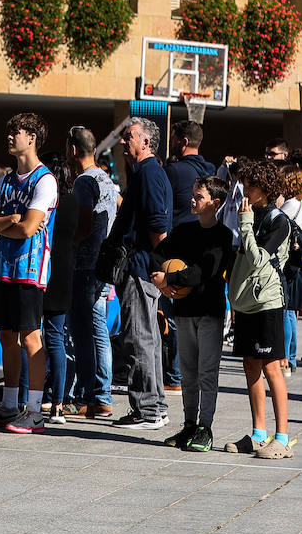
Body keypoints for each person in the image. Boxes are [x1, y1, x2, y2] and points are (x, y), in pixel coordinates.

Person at [0, 113, 57, 435]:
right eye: (9, 131)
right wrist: (10, 221)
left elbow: (27, 229)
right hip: (3, 269)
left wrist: (7, 224)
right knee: (6, 336)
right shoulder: (5, 180)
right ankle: (10, 403)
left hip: (29, 269)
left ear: (32, 138)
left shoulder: (45, 180)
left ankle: (35, 410)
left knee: (30, 336)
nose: (10, 137)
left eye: (17, 132)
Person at [152, 176, 231, 453]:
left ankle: (205, 427)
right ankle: (188, 424)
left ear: (215, 203)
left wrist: (170, 277)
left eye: (199, 196)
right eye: (194, 194)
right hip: (184, 311)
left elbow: (202, 272)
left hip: (209, 312)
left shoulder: (223, 236)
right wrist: (160, 279)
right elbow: (157, 255)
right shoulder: (184, 230)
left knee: (207, 372)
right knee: (187, 372)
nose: (193, 200)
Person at [224, 160, 294, 458]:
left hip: (267, 301)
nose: (245, 192)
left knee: (271, 366)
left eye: (250, 187)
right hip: (246, 301)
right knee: (250, 364)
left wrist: (246, 223)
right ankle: (258, 433)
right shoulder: (250, 214)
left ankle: (283, 437)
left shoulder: (278, 220)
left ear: (263, 189)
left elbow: (256, 259)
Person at [106, 116, 173, 431]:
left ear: (145, 141)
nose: (123, 142)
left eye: (128, 136)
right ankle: (153, 406)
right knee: (145, 338)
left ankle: (148, 410)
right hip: (141, 269)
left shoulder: (148, 174)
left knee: (140, 339)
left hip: (142, 269)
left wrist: (161, 271)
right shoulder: (143, 173)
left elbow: (159, 230)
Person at [66, 126, 118, 419]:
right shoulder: (105, 179)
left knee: (85, 332)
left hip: (86, 264)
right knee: (99, 330)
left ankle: (91, 395)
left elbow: (83, 225)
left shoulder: (84, 182)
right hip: (102, 263)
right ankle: (103, 395)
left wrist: (66, 238)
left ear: (73, 150)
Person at [162, 120, 216, 395]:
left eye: (174, 137)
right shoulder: (212, 170)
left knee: (175, 315)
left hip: (179, 249)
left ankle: (174, 375)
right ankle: (187, 373)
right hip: (206, 247)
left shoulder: (174, 170)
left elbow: (163, 207)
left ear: (183, 141)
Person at [39, 155, 77, 424]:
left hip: (41, 267)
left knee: (31, 335)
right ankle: (58, 405)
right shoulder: (75, 202)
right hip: (65, 271)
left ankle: (30, 397)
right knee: (56, 339)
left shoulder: (44, 201)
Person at [278, 167, 302, 376]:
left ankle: (286, 358)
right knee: (291, 311)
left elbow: (275, 223)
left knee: (285, 310)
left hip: (288, 261)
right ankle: (290, 356)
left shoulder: (290, 205)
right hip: (297, 262)